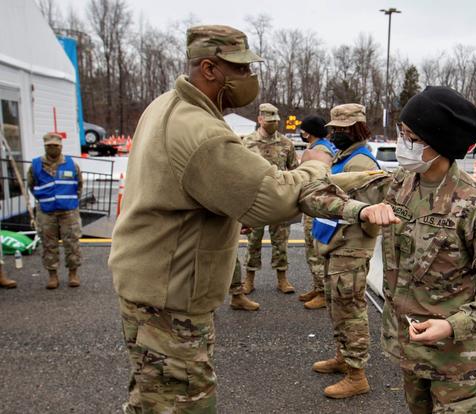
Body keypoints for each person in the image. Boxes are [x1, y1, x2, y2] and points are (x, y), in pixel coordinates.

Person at [108, 25, 331, 413]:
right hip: (169, 298)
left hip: (154, 285)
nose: (249, 79)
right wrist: (318, 167)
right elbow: (273, 199)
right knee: (183, 402)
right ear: (209, 69)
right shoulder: (198, 128)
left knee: (151, 396)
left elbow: (185, 188)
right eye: (240, 69)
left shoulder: (167, 105)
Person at [299, 86, 476, 413]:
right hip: (410, 353)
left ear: (440, 143)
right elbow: (312, 194)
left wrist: (452, 325)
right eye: (401, 133)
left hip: (458, 368)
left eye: (410, 137)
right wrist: (359, 211)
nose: (402, 143)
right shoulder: (401, 183)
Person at [308, 103, 380, 399]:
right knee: (337, 307)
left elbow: (372, 214)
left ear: (356, 129)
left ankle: (356, 374)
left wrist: (356, 246)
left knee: (350, 311)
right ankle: (342, 357)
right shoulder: (345, 157)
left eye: (340, 129)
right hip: (335, 245)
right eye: (333, 129)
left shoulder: (361, 163)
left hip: (349, 249)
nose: (334, 134)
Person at [242, 103, 299, 295]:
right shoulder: (247, 142)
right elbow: (238, 173)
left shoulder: (286, 144)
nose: (273, 124)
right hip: (254, 200)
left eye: (276, 121)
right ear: (260, 119)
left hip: (279, 200)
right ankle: (248, 279)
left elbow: (294, 172)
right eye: (269, 121)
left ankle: (282, 279)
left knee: (281, 241)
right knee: (253, 241)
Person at [27, 132, 83, 290]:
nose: (52, 148)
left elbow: (79, 184)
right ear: (45, 146)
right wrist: (44, 198)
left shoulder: (71, 164)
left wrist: (71, 200)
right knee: (48, 244)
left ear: (61, 146)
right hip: (46, 211)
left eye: (55, 146)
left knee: (72, 242)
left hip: (69, 210)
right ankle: (52, 275)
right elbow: (31, 185)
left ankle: (73, 273)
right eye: (49, 146)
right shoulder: (36, 165)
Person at [297, 115, 336, 309]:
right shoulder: (319, 147)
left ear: (308, 132)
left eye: (303, 129)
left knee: (315, 251)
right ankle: (317, 286)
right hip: (314, 203)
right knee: (311, 249)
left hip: (317, 205)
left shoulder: (320, 150)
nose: (301, 132)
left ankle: (322, 292)